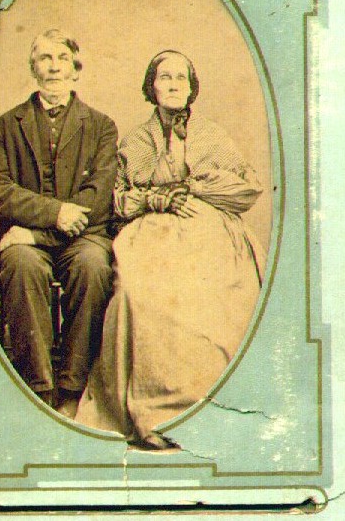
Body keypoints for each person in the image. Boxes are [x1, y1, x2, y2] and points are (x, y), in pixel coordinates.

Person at [75, 49, 266, 449]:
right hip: (150, 232)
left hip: (208, 228)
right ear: (152, 87)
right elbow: (116, 200)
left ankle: (207, 402)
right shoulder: (135, 140)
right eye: (165, 77)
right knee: (137, 290)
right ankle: (153, 407)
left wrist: (192, 187)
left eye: (181, 78)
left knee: (211, 291)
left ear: (192, 88)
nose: (174, 84)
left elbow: (247, 188)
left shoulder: (212, 134)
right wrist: (155, 199)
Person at [0, 29, 118, 418]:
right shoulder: (4, 127)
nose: (54, 67)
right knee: (20, 262)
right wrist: (54, 214)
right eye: (44, 58)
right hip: (24, 241)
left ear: (76, 69)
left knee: (93, 265)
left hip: (82, 237)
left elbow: (99, 195)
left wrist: (37, 231)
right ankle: (38, 390)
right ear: (33, 69)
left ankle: (72, 389)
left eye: (62, 58)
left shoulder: (101, 126)